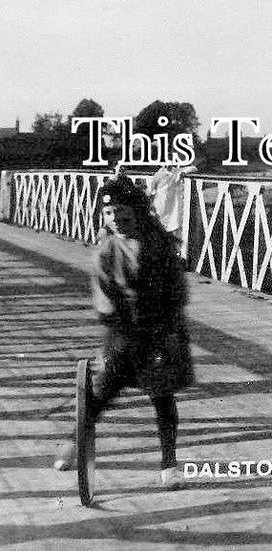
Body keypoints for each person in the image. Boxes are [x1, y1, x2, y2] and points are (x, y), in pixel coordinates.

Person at [53, 175, 195, 488]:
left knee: (162, 396)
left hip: (159, 330)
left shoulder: (160, 245)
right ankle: (75, 441)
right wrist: (118, 323)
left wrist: (163, 325)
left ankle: (169, 464)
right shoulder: (107, 249)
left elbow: (177, 293)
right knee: (103, 391)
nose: (115, 219)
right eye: (108, 213)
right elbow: (103, 294)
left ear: (137, 211)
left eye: (122, 212)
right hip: (124, 331)